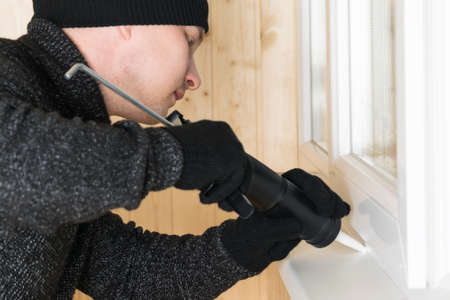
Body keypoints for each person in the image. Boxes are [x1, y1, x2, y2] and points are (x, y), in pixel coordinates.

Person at [0, 0, 350, 299]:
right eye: (189, 39)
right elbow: (13, 165)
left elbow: (125, 273)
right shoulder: (8, 73)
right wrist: (176, 156)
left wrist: (246, 244)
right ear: (127, 20)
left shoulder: (62, 119)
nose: (194, 78)